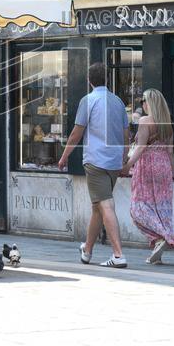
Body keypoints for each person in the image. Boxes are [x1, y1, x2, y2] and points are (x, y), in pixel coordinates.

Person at [58, 62, 129, 268]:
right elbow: (126, 135)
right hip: (114, 161)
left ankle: (118, 254)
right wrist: (124, 160)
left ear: (89, 80)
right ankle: (87, 250)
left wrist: (64, 157)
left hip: (96, 160)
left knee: (105, 205)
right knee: (98, 207)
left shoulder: (88, 101)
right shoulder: (118, 102)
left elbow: (76, 133)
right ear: (106, 79)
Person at [121, 88, 174, 264]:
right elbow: (170, 150)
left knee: (138, 208)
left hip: (147, 165)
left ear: (149, 103)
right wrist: (173, 170)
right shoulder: (167, 123)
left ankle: (163, 236)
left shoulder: (145, 120)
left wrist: (127, 166)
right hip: (164, 167)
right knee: (161, 207)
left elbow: (140, 148)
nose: (142, 105)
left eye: (143, 101)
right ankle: (158, 247)